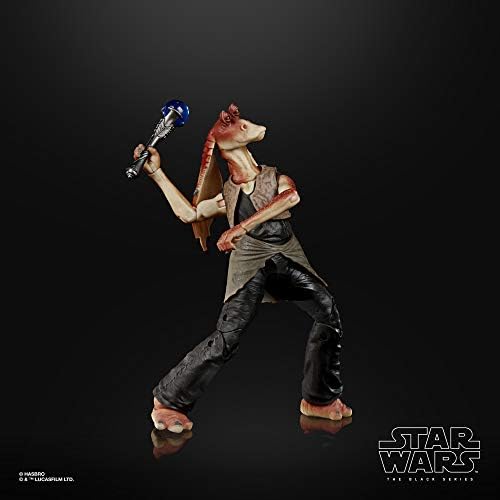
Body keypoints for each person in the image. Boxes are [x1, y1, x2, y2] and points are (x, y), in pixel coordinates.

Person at [133, 103, 352, 433]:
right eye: (238, 126)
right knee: (227, 337)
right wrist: (157, 173)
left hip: (286, 256)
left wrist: (239, 227)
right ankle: (168, 401)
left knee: (328, 313)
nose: (249, 127)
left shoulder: (274, 178)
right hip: (250, 265)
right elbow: (190, 214)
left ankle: (319, 399)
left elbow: (290, 198)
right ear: (224, 142)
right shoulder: (228, 194)